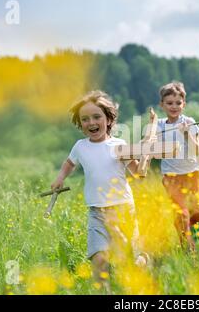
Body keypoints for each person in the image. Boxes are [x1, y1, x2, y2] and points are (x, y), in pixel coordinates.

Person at [50, 90, 145, 290]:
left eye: (96, 117)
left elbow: (137, 172)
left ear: (108, 119)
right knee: (99, 258)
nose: (91, 123)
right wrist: (60, 178)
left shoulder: (119, 145)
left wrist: (144, 156)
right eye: (85, 119)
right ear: (80, 123)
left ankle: (141, 266)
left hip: (122, 209)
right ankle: (102, 291)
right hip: (97, 212)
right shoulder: (80, 146)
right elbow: (69, 163)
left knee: (128, 259)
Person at [157, 81, 199, 252]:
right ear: (162, 105)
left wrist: (185, 133)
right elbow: (154, 148)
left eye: (178, 103)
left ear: (184, 104)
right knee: (181, 213)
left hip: (191, 174)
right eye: (169, 103)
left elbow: (197, 150)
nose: (174, 106)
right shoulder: (160, 125)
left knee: (195, 213)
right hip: (171, 176)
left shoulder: (189, 122)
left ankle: (195, 239)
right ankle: (188, 247)